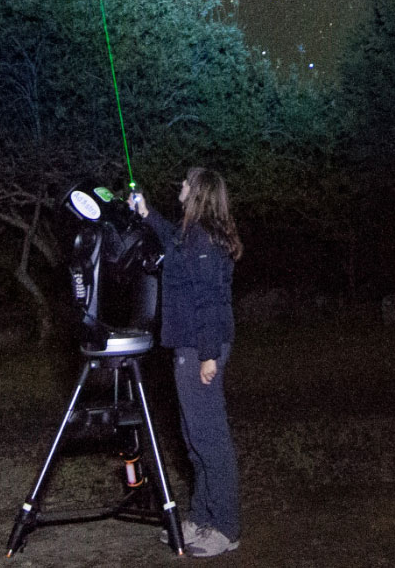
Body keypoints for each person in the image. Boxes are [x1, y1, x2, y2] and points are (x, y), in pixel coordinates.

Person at [128, 169, 241, 558]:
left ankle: (225, 528)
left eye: (186, 184)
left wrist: (208, 355)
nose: (181, 187)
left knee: (210, 440)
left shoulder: (205, 238)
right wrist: (145, 212)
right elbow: (171, 245)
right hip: (190, 349)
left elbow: (210, 300)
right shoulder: (191, 235)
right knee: (193, 439)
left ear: (199, 193)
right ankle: (201, 519)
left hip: (200, 349)